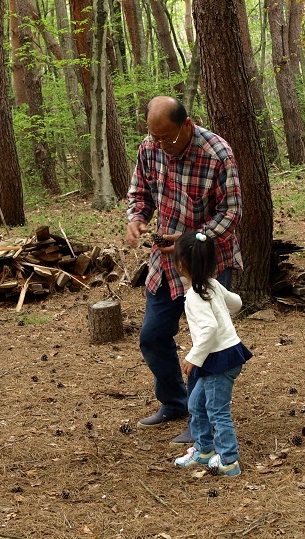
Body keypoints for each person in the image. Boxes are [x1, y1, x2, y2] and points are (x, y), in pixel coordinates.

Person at [125, 96, 243, 444]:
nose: (160, 144)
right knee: (153, 336)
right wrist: (137, 218)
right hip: (165, 261)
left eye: (167, 137)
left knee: (205, 343)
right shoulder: (150, 147)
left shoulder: (217, 153)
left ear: (187, 125)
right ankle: (175, 402)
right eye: (154, 136)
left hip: (207, 262)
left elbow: (231, 213)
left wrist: (193, 238)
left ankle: (201, 420)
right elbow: (139, 192)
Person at [171, 232, 251, 476]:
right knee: (197, 403)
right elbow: (236, 302)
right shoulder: (212, 284)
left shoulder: (195, 296)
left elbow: (210, 328)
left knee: (217, 411)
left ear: (181, 265)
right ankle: (204, 449)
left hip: (219, 360)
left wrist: (192, 358)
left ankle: (228, 460)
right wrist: (224, 312)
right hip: (225, 354)